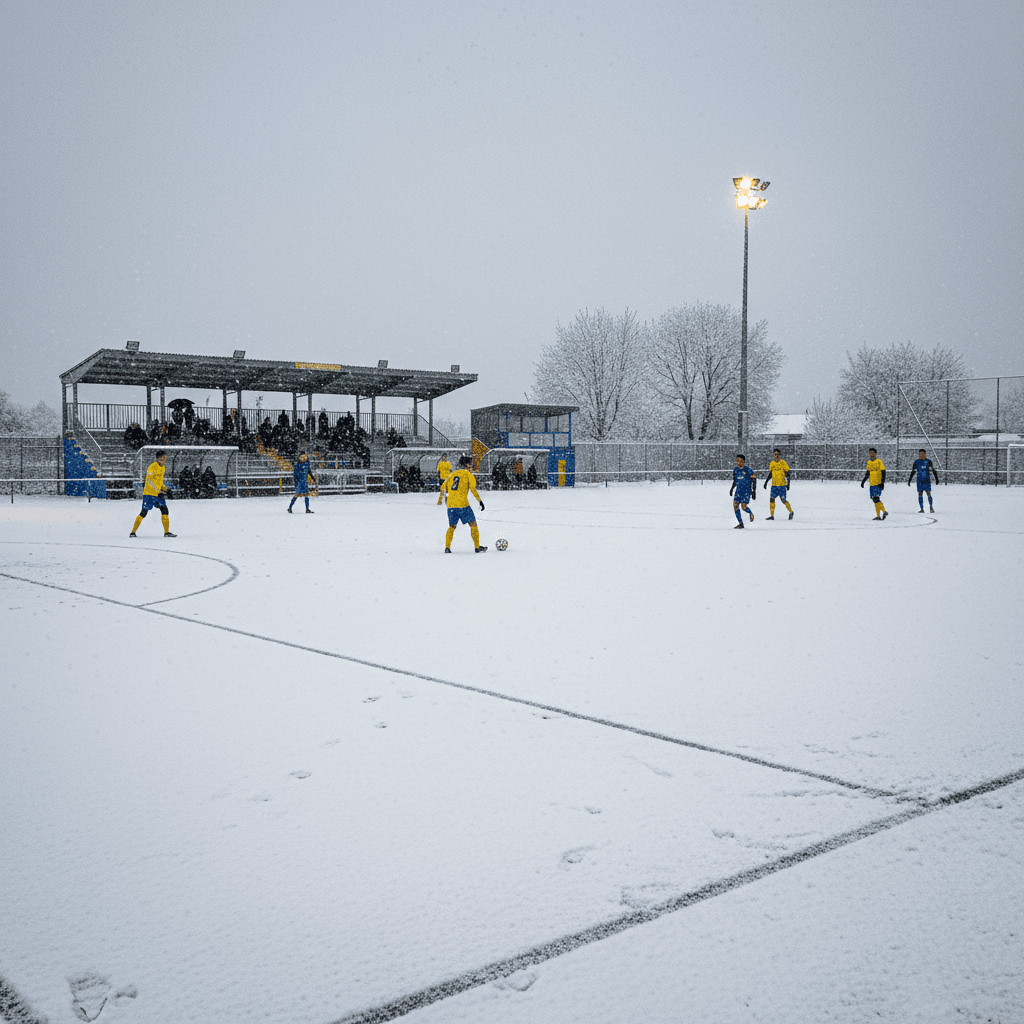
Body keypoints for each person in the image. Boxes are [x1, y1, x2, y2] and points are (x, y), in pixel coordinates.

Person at [437, 455, 486, 553]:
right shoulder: (468, 474)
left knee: (452, 526)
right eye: (470, 465)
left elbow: (443, 487)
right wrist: (480, 501)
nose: (471, 467)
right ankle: (477, 547)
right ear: (467, 465)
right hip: (462, 505)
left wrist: (443, 498)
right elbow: (473, 489)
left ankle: (447, 547)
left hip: (451, 506)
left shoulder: (452, 474)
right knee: (473, 524)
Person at [130, 450, 176, 537]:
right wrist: (157, 491)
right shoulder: (152, 466)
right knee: (144, 512)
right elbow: (150, 481)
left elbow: (159, 481)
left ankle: (166, 532)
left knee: (165, 510)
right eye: (163, 458)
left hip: (158, 494)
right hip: (149, 494)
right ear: (158, 458)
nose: (164, 460)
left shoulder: (163, 468)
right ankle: (133, 532)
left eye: (165, 458)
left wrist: (164, 488)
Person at [762, 448, 794, 520]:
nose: (776, 456)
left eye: (778, 455)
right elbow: (770, 474)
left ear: (780, 455)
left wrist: (788, 484)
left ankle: (791, 512)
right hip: (774, 486)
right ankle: (772, 516)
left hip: (782, 486)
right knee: (772, 499)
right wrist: (766, 482)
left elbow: (788, 474)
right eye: (775, 454)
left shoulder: (783, 463)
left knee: (783, 500)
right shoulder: (772, 463)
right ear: (773, 455)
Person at [729, 454, 756, 529]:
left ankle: (750, 513)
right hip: (738, 491)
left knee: (743, 507)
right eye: (737, 461)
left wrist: (754, 491)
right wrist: (731, 489)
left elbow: (754, 480)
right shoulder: (735, 470)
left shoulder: (748, 470)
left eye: (740, 461)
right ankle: (741, 523)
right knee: (735, 506)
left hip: (746, 491)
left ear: (744, 462)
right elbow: (735, 480)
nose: (738, 463)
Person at [860, 448, 888, 520]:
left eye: (872, 453)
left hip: (878, 483)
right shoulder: (869, 462)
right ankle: (879, 515)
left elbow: (883, 472)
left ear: (875, 453)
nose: (871, 454)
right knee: (874, 499)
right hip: (872, 483)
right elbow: (868, 472)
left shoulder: (879, 461)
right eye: (870, 453)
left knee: (876, 498)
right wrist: (863, 481)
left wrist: (882, 482)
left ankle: (883, 513)